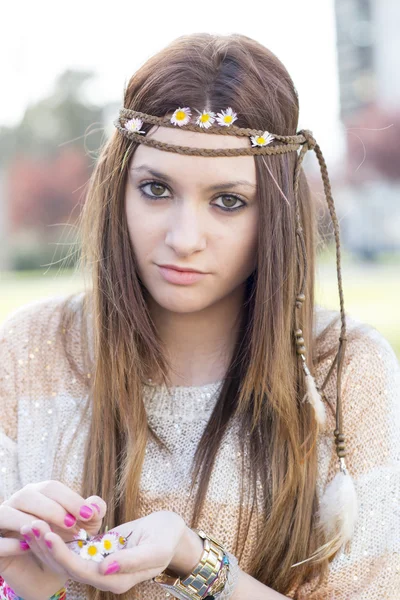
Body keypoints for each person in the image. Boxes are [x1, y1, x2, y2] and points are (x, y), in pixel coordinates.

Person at [0, 32, 399, 600]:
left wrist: (197, 562)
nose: (184, 239)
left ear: (276, 214)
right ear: (119, 189)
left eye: (228, 201)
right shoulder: (27, 350)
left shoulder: (346, 370)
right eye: (156, 188)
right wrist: (29, 590)